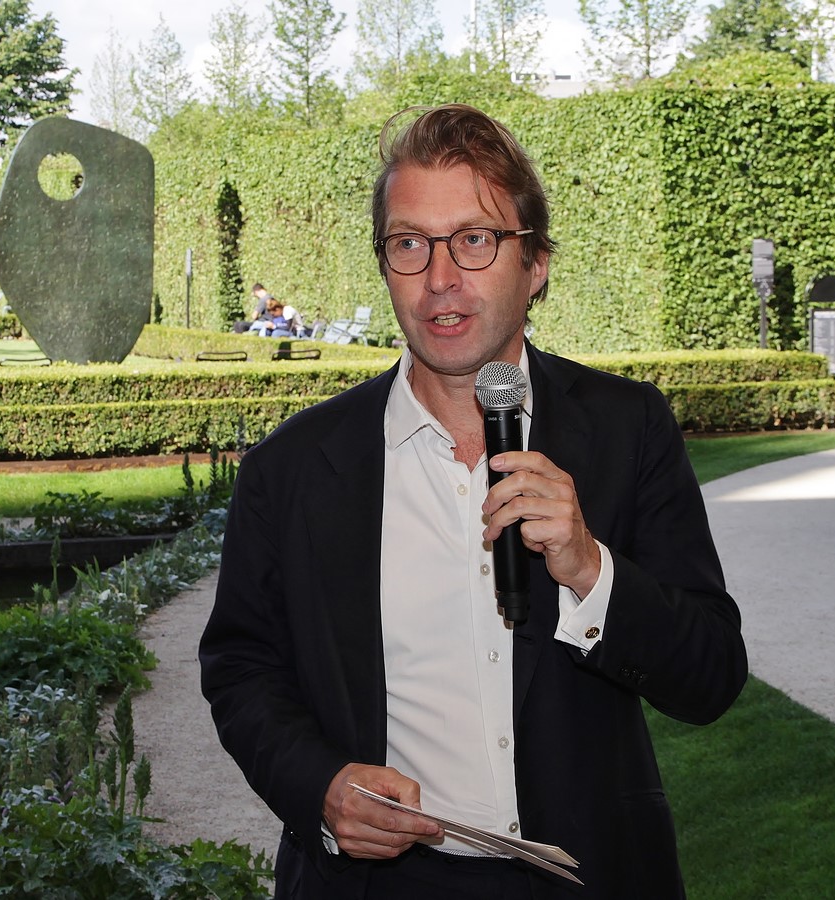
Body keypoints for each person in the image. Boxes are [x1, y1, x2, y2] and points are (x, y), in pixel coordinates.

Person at [199, 104, 748, 899]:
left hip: (586, 876)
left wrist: (589, 569)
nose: (440, 278)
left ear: (536, 264)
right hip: (374, 885)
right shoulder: (291, 467)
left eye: (475, 240)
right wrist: (319, 786)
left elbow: (710, 678)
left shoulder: (626, 429)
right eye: (409, 243)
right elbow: (241, 667)